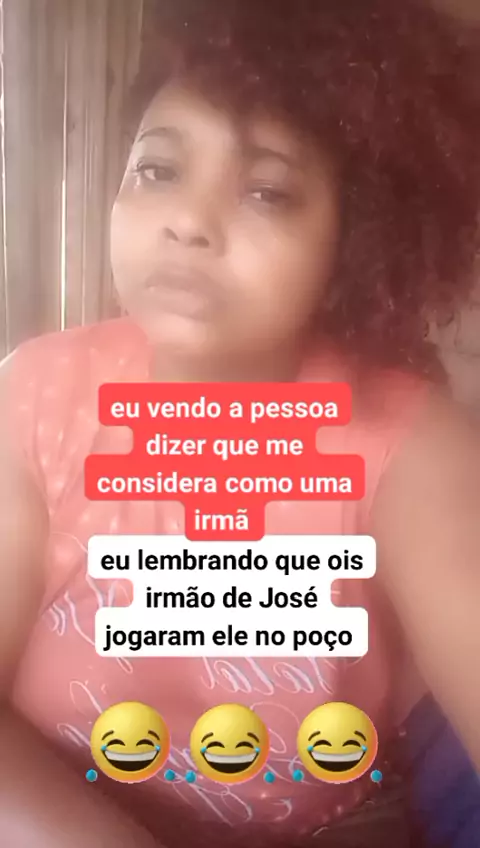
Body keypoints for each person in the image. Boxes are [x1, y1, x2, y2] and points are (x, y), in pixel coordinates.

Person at [1, 1, 480, 846]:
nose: (188, 222)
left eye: (266, 190)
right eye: (158, 170)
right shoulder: (33, 397)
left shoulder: (412, 444)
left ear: (355, 236)